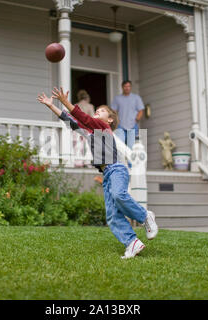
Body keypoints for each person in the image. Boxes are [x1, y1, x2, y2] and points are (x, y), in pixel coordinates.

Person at [37, 87, 158, 259]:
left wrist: (65, 102)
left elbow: (83, 117)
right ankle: (132, 243)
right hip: (107, 174)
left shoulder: (102, 127)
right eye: (97, 110)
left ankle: (145, 216)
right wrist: (52, 106)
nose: (97, 112)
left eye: (101, 111)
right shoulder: (90, 132)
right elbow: (70, 121)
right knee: (112, 215)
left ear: (108, 120)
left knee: (119, 195)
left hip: (117, 168)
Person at [111, 80, 145, 151]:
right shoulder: (117, 98)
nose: (127, 88)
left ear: (131, 87)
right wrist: (116, 122)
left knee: (131, 147)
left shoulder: (136, 98)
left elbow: (141, 111)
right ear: (122, 87)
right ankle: (121, 162)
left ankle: (130, 162)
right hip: (120, 126)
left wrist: (136, 120)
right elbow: (113, 111)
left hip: (132, 126)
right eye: (125, 86)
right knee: (120, 147)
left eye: (129, 86)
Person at [73, 90, 95, 167]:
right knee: (88, 146)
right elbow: (92, 118)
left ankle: (78, 162)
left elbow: (72, 117)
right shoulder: (90, 106)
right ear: (87, 97)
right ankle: (87, 162)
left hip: (77, 128)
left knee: (78, 146)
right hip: (87, 128)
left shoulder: (75, 105)